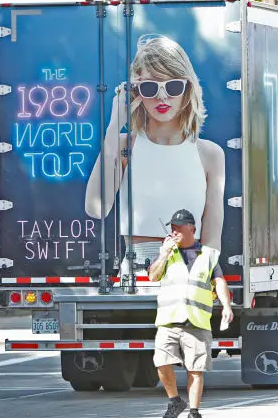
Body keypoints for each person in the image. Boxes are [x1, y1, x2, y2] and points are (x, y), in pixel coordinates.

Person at [83, 34, 226, 275]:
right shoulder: (123, 145)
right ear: (136, 92)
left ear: (187, 88)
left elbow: (212, 236)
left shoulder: (209, 154)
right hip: (136, 277)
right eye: (150, 87)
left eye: (173, 86)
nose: (162, 96)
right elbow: (96, 208)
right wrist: (114, 125)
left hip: (189, 274)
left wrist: (202, 278)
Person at [148, 208, 233, 418]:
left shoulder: (208, 255)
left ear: (192, 229)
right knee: (162, 363)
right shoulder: (168, 253)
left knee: (195, 369)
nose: (174, 231)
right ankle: (174, 400)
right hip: (169, 320)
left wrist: (226, 305)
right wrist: (164, 252)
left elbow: (220, 282)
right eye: (172, 228)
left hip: (196, 321)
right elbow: (153, 275)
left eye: (178, 227)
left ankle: (194, 412)